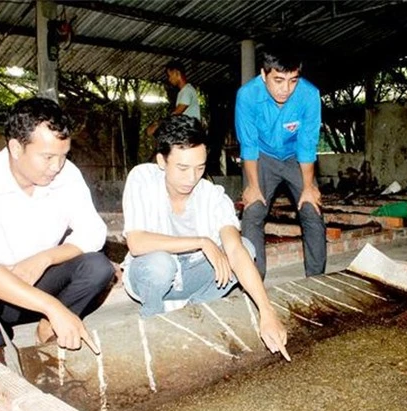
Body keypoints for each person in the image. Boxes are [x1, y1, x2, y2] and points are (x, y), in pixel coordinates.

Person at [0, 97, 115, 367]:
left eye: (63, 156)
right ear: (16, 148)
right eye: (47, 157)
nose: (56, 167)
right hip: (0, 290)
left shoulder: (67, 175)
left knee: (98, 266)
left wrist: (44, 259)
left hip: (45, 281)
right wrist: (53, 307)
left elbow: (93, 231)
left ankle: (47, 329)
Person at [121, 115, 290, 360]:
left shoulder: (212, 195)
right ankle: (153, 320)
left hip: (191, 276)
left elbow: (236, 250)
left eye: (199, 168)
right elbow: (136, 243)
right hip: (149, 276)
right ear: (161, 161)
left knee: (246, 248)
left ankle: (193, 310)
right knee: (161, 263)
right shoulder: (141, 179)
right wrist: (202, 241)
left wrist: (266, 311)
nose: (191, 178)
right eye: (182, 168)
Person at [235, 47, 326, 279]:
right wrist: (253, 186)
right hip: (263, 157)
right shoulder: (247, 96)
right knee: (253, 211)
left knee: (311, 210)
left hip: (295, 156)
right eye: (278, 80)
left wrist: (308, 188)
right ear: (264, 75)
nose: (286, 89)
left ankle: (315, 280)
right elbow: (248, 144)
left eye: (293, 80)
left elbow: (307, 145)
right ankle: (254, 280)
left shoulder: (308, 95)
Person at [146, 60, 201, 137]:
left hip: (192, 135)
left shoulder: (187, 90)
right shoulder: (182, 92)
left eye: (169, 75)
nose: (169, 79)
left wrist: (157, 124)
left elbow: (176, 113)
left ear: (176, 73)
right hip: (188, 133)